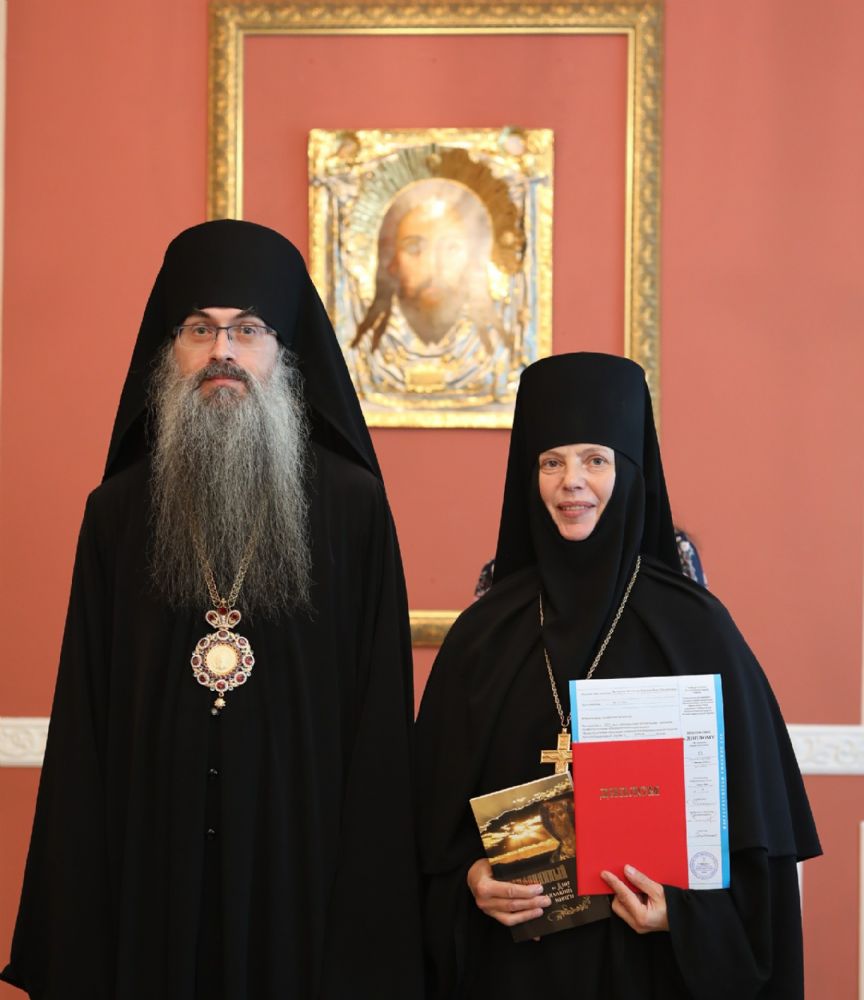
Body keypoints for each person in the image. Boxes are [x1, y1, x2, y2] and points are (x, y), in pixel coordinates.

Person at [1, 220, 424, 1000]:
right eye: (200, 330)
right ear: (171, 351)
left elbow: (379, 725)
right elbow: (86, 714)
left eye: (246, 330)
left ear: (283, 354)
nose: (221, 351)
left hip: (302, 860)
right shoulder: (118, 511)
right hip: (151, 860)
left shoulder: (353, 507)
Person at [415, 352, 819, 999]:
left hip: (649, 971)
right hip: (515, 972)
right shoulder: (482, 636)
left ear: (630, 472)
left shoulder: (697, 629)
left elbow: (756, 858)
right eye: (551, 463)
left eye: (594, 461)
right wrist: (472, 879)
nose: (571, 482)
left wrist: (684, 915)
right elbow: (427, 831)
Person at [350, 179, 511, 406]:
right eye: (414, 247)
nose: (433, 266)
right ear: (392, 260)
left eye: (451, 247)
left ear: (472, 258)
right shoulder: (362, 354)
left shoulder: (497, 350)